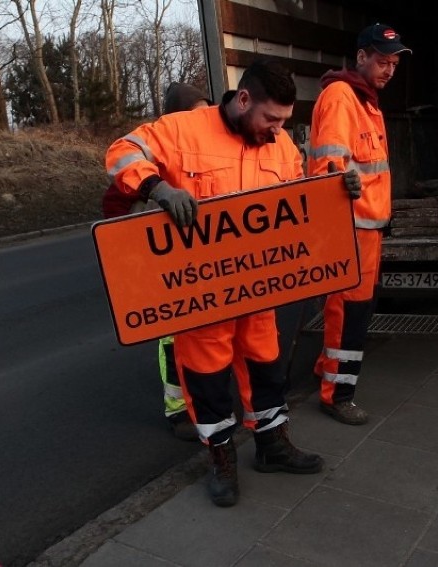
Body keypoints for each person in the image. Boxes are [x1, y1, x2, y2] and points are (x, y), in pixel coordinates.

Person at [105, 58, 360, 507]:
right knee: (207, 378)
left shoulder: (280, 146)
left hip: (258, 292)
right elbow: (122, 151)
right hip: (202, 295)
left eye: (284, 122)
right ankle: (220, 459)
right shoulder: (182, 130)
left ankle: (272, 445)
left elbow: (300, 196)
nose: (277, 131)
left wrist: (340, 186)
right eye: (270, 119)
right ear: (244, 100)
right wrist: (157, 189)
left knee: (266, 368)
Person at [307, 23, 412, 425]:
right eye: (383, 62)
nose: (389, 70)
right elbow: (328, 165)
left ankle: (327, 373)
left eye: (395, 64)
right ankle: (337, 394)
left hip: (365, 226)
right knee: (349, 312)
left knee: (352, 310)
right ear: (362, 56)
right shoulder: (341, 98)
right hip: (349, 227)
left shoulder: (365, 101)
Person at [101, 82, 211, 442]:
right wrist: (155, 193)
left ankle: (209, 403)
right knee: (173, 339)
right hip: (170, 269)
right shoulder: (158, 151)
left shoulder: (212, 147)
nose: (203, 122)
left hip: (208, 262)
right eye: (196, 113)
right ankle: (178, 410)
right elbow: (118, 206)